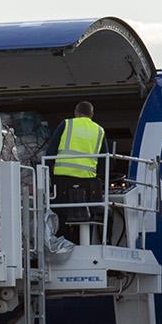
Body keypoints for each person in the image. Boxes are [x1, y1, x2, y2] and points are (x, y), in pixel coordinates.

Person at [52, 100, 106, 234]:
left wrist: (48, 176)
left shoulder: (66, 124)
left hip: (62, 180)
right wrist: (99, 178)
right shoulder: (99, 130)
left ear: (75, 113)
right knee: (85, 218)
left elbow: (51, 151)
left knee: (61, 218)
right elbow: (104, 159)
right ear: (92, 114)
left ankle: (63, 242)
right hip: (88, 183)